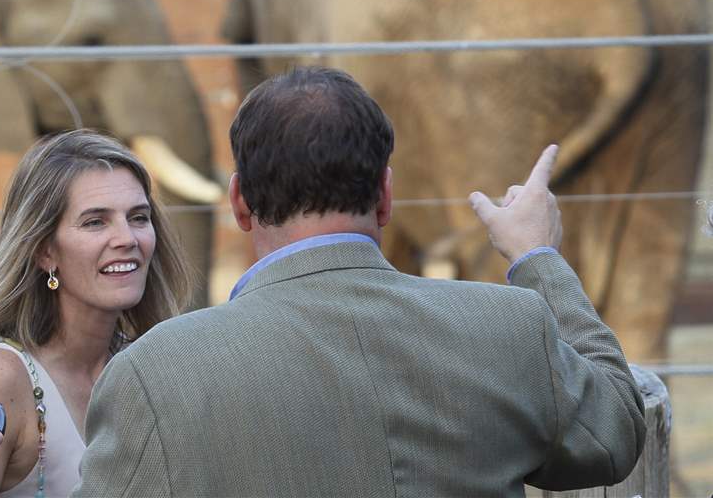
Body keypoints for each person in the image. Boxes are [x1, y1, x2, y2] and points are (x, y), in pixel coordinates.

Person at [73, 66, 646, 497]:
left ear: (240, 203)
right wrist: (538, 258)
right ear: (385, 196)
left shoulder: (157, 373)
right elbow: (614, 432)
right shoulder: (510, 326)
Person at [0, 129, 193, 497]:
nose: (127, 238)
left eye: (138, 217)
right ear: (45, 251)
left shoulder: (154, 365)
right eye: (95, 222)